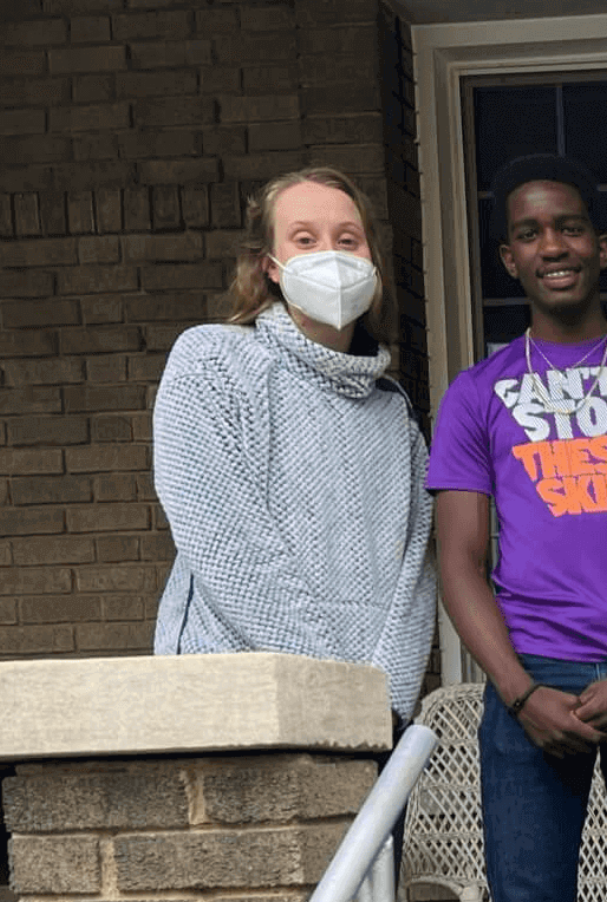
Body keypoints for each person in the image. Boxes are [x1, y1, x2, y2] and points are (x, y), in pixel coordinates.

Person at [428, 154, 607, 902]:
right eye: (529, 234)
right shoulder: (476, 395)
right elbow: (458, 561)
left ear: (602, 246)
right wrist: (520, 693)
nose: (552, 246)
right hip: (533, 679)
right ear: (508, 258)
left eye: (568, 228)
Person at [153, 166, 436, 724]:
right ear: (269, 265)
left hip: (371, 721)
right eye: (304, 239)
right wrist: (327, 689)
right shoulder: (211, 364)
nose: (329, 254)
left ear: (372, 263)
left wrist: (387, 703)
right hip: (236, 704)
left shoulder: (393, 412)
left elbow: (418, 573)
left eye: (347, 240)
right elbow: (224, 543)